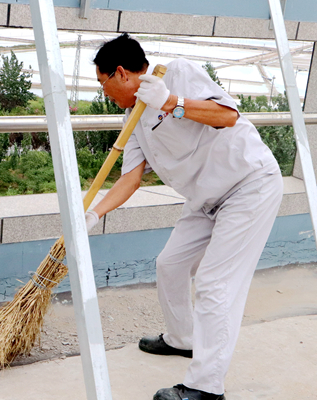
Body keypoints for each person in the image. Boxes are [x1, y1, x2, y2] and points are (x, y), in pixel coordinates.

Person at [85, 33, 283, 400]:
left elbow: (227, 116)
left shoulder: (177, 74)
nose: (104, 92)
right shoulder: (133, 118)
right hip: (205, 198)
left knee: (215, 284)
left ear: (122, 73)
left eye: (103, 82)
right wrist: (93, 214)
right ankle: (182, 338)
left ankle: (206, 387)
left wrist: (170, 102)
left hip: (247, 185)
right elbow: (130, 179)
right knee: (170, 265)